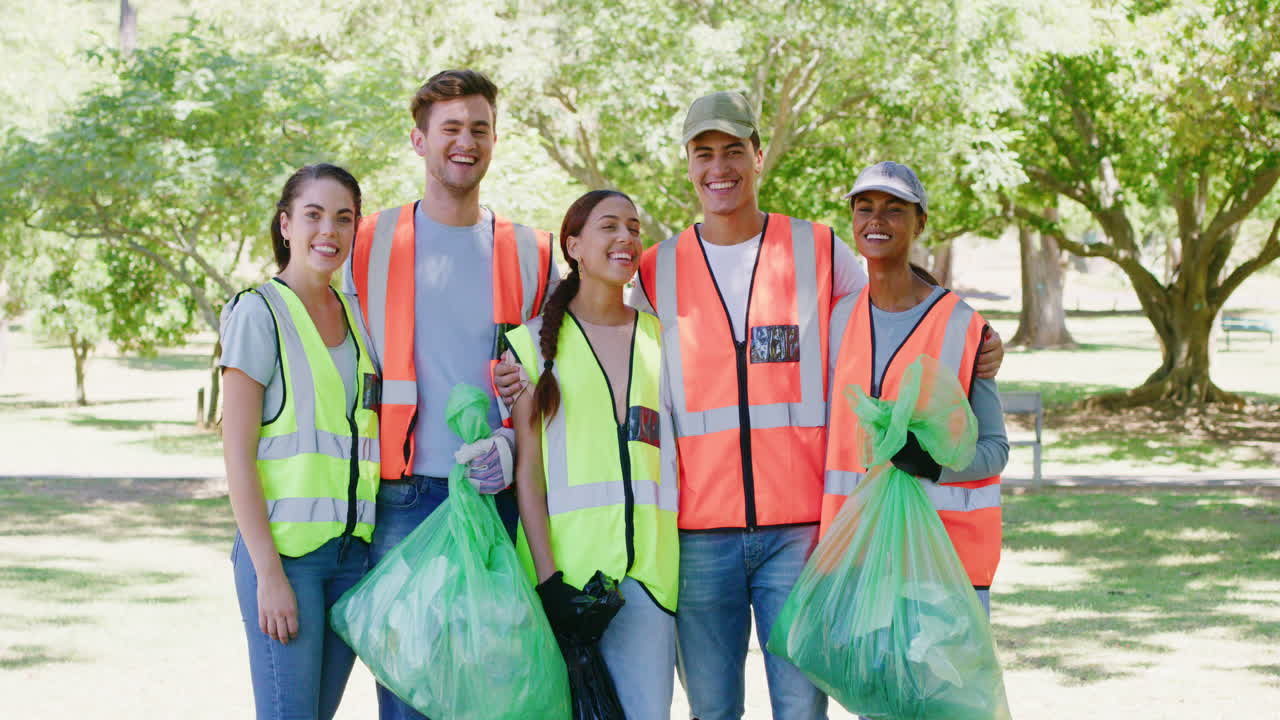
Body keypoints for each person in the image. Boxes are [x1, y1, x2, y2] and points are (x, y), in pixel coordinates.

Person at [496, 92, 1004, 719]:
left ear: (758, 157)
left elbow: (892, 288)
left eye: (734, 151)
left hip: (799, 536)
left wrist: (974, 329)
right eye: (703, 153)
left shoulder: (816, 249)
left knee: (800, 709)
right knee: (713, 712)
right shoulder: (659, 268)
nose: (720, 167)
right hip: (699, 539)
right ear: (688, 164)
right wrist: (523, 367)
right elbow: (592, 324)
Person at [342, 69, 556, 720]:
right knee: (413, 697)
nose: (466, 142)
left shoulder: (531, 251)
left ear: (495, 140)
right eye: (451, 129)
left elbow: (547, 379)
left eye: (480, 129)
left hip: (496, 503)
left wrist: (508, 445)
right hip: (403, 502)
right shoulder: (366, 242)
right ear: (419, 140)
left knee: (494, 696)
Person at [507, 189, 679, 719]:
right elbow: (528, 479)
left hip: (648, 581)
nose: (626, 237)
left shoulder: (662, 340)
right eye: (609, 226)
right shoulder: (530, 347)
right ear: (574, 245)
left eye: (633, 226)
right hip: (566, 581)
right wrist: (548, 583)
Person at [220, 163, 380, 720]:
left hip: (350, 561)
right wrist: (269, 575)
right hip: (287, 560)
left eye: (343, 218)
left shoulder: (357, 319)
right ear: (286, 224)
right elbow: (236, 455)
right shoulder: (257, 313)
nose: (328, 231)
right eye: (313, 215)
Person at [823, 161, 1008, 617]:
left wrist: (931, 462)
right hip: (854, 561)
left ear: (920, 221)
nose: (876, 221)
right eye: (864, 208)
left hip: (942, 566)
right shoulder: (836, 319)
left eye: (894, 209)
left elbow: (996, 449)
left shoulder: (964, 327)